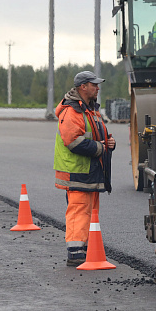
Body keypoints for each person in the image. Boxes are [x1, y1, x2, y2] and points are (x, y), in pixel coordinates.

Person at [54, 71, 116, 266]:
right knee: (79, 210)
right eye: (94, 85)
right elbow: (72, 141)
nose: (98, 88)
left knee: (89, 211)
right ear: (83, 87)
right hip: (77, 171)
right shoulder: (72, 111)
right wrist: (100, 147)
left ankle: (86, 248)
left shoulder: (91, 110)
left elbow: (97, 134)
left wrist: (109, 142)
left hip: (89, 171)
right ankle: (75, 252)